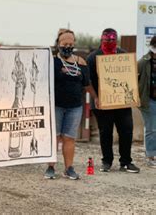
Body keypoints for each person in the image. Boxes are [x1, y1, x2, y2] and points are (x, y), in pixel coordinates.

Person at [44, 29, 96, 180]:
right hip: (56, 105)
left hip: (75, 106)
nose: (67, 46)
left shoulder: (81, 62)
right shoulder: (52, 61)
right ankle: (51, 166)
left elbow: (87, 84)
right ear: (58, 44)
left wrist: (96, 98)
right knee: (55, 137)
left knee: (69, 138)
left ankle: (69, 168)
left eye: (70, 44)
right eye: (64, 43)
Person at [87, 28, 140, 173]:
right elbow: (88, 81)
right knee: (105, 132)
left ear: (116, 40)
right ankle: (107, 161)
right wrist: (96, 98)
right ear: (101, 40)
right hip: (102, 103)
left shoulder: (123, 55)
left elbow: (129, 76)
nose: (110, 42)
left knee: (126, 131)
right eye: (107, 39)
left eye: (112, 39)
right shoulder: (93, 57)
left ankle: (126, 162)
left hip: (122, 102)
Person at [137, 35, 156, 168]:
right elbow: (134, 80)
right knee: (152, 129)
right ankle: (150, 156)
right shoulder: (143, 62)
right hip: (149, 100)